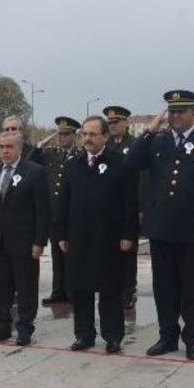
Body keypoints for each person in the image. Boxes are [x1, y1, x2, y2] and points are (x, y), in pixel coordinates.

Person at [126, 90, 194, 361]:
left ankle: (192, 338)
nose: (175, 116)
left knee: (191, 288)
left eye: (181, 111)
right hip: (161, 227)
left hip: (193, 229)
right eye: (171, 111)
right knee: (164, 287)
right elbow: (130, 163)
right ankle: (167, 336)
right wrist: (149, 131)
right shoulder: (157, 142)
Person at [56, 116, 139, 354]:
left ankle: (112, 336)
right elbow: (63, 203)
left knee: (109, 289)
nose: (87, 139)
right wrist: (61, 234)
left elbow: (130, 203)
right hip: (79, 238)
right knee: (80, 288)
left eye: (93, 134)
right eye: (84, 134)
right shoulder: (73, 164)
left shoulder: (120, 162)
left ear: (105, 136)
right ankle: (84, 335)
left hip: (109, 238)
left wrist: (128, 235)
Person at [0, 131, 49, 346]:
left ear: (20, 148)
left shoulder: (34, 172)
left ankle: (24, 328)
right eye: (1, 147)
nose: (4, 151)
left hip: (24, 241)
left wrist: (39, 241)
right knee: (2, 287)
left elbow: (42, 210)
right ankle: (1, 327)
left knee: (26, 287)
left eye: (9, 147)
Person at [39, 116, 82, 306]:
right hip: (54, 212)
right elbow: (31, 157)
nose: (62, 138)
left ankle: (72, 292)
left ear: (74, 135)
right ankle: (58, 291)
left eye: (66, 134)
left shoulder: (81, 155)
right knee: (56, 255)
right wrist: (45, 141)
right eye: (60, 134)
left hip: (72, 213)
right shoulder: (51, 154)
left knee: (71, 255)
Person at [102, 106, 140, 309]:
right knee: (108, 253)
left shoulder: (134, 145)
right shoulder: (105, 145)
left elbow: (142, 177)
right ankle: (112, 289)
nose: (112, 126)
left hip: (128, 206)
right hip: (108, 208)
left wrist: (142, 207)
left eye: (116, 122)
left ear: (126, 123)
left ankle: (128, 291)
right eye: (109, 123)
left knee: (128, 253)